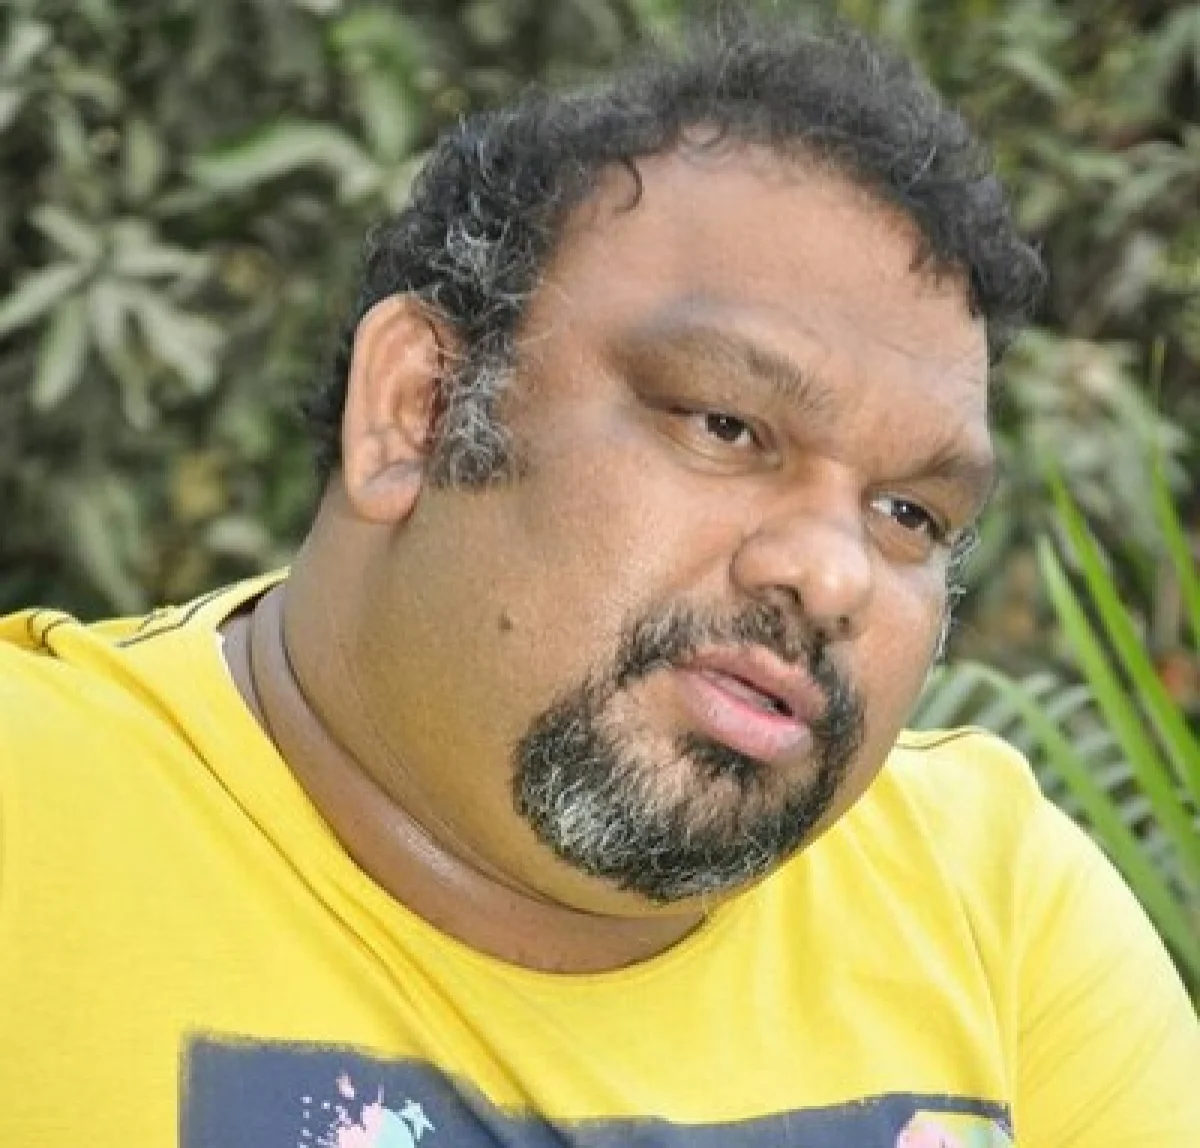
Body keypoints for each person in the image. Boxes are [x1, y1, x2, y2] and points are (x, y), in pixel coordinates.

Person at [1, 9, 1196, 1147]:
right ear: (419, 408)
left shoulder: (998, 911)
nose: (834, 574)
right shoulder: (35, 815)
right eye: (726, 424)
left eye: (909, 514)